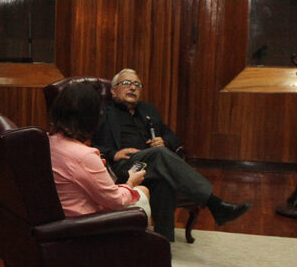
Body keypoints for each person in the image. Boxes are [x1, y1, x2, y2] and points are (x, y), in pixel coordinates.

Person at [93, 68, 250, 241]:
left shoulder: (148, 110)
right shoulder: (102, 111)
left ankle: (163, 244)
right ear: (113, 90)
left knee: (163, 181)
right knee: (159, 155)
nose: (132, 87)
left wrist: (164, 141)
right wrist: (113, 154)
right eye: (126, 83)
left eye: (137, 84)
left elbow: (172, 136)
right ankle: (214, 203)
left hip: (153, 165)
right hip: (123, 165)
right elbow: (86, 142)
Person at [48, 80, 151, 220]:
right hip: (85, 224)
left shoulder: (44, 142)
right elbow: (117, 201)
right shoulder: (84, 156)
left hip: (57, 218)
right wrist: (131, 183)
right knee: (142, 191)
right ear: (91, 117)